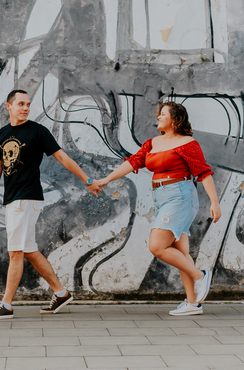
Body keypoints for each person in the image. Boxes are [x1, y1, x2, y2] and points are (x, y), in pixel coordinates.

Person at [91, 101, 221, 316]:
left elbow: (204, 173)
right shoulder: (152, 143)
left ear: (175, 119)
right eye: (159, 114)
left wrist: (214, 202)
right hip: (161, 197)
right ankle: (192, 303)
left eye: (163, 114)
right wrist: (106, 180)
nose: (158, 117)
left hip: (180, 196)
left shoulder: (188, 143)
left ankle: (200, 276)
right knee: (180, 252)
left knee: (158, 246)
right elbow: (133, 162)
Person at [0, 89, 98, 320]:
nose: (25, 108)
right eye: (21, 104)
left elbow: (62, 157)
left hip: (26, 198)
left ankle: (6, 305)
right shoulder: (3, 133)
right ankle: (61, 293)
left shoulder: (37, 131)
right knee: (29, 251)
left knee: (15, 252)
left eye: (28, 104)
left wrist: (87, 180)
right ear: (9, 106)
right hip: (14, 198)